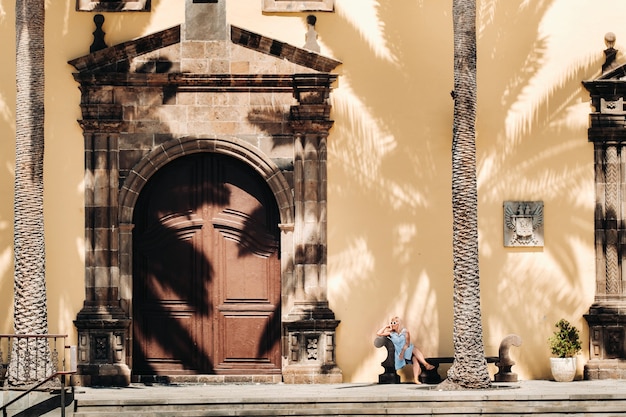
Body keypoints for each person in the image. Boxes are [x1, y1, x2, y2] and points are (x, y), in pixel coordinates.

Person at [377, 316, 434, 384]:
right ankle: (426, 364)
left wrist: (403, 352)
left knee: (414, 356)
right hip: (398, 352)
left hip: (406, 350)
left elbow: (407, 344)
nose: (392, 324)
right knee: (414, 351)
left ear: (399, 323)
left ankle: (416, 379)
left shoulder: (405, 332)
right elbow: (378, 333)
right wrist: (386, 327)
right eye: (391, 322)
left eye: (394, 322)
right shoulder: (391, 333)